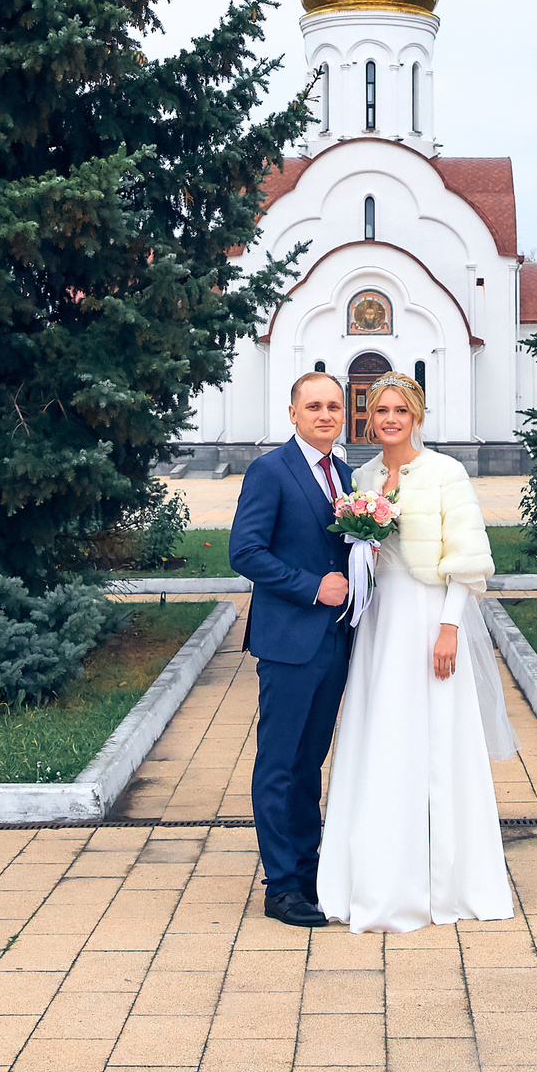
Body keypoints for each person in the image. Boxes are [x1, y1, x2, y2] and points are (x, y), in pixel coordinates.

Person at [316, 375, 518, 933]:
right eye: (379, 410)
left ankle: (447, 878)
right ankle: (376, 874)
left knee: (435, 740)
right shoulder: (363, 477)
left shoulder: (446, 473)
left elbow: (470, 559)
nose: (388, 419)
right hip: (381, 621)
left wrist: (450, 628)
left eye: (399, 410)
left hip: (430, 618)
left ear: (418, 416)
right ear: (369, 419)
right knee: (380, 735)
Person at [227, 370, 355, 929]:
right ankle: (279, 886)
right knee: (279, 763)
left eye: (334, 406)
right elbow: (245, 551)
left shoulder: (345, 475)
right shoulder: (270, 470)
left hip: (335, 640)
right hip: (288, 640)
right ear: (294, 414)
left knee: (310, 762)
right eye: (315, 406)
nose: (326, 414)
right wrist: (310, 586)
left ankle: (306, 873)